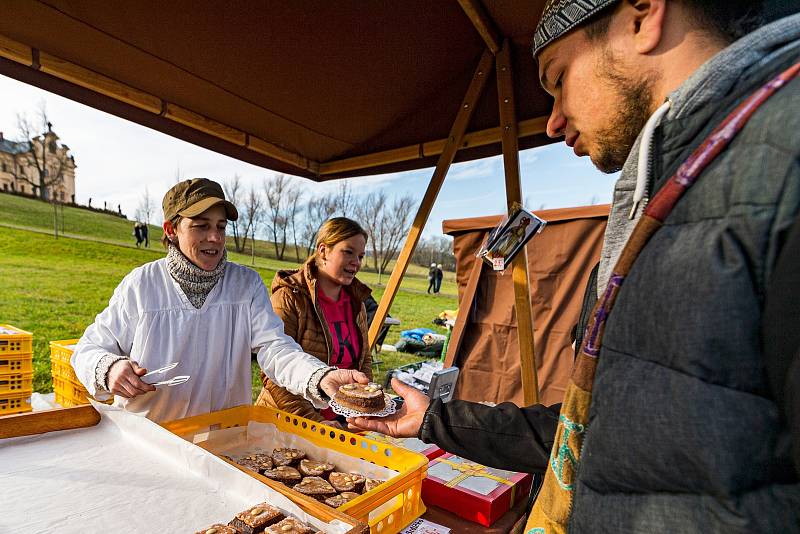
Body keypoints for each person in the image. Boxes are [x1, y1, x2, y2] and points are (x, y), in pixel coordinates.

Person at [350, 1, 800, 532]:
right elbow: (594, 433)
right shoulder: (663, 199)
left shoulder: (780, 157)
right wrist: (435, 419)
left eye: (559, 78)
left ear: (642, 15)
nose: (553, 121)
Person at [72, 178, 367, 423]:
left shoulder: (245, 285)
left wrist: (318, 375)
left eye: (221, 226)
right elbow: (87, 350)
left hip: (224, 438)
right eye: (201, 226)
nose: (214, 237)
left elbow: (275, 349)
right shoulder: (142, 285)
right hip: (152, 437)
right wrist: (108, 368)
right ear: (171, 230)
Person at [255, 217, 373, 424]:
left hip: (340, 423)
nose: (356, 262)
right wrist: (314, 423)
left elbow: (364, 361)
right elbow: (272, 372)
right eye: (348, 252)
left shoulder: (357, 303)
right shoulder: (289, 297)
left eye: (361, 256)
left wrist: (361, 410)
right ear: (323, 250)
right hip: (287, 423)